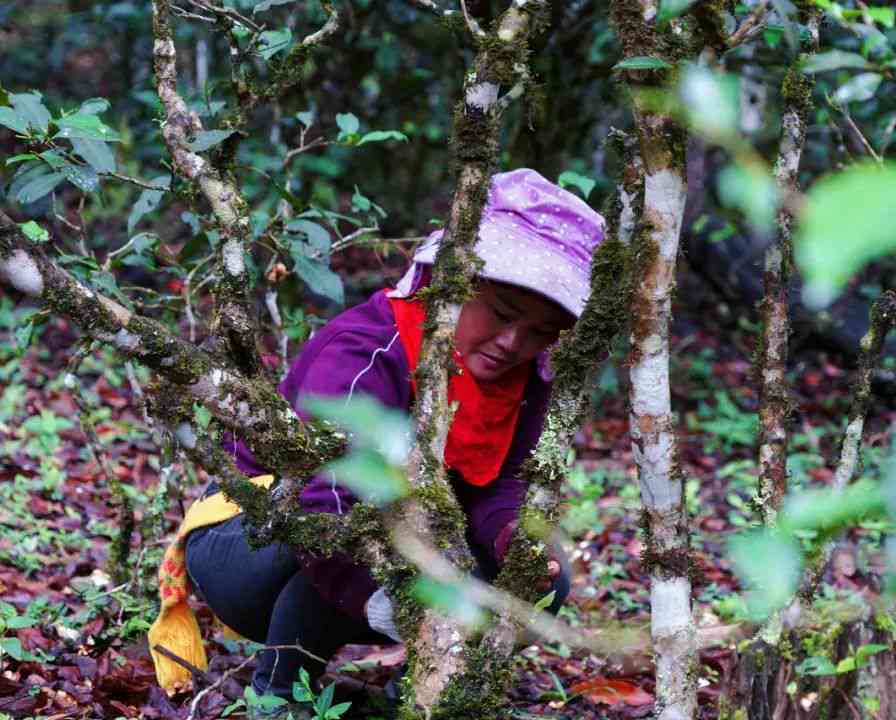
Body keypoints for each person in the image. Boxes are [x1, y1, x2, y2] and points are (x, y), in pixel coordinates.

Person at [147, 168, 605, 708]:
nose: (512, 343)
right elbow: (324, 500)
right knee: (351, 540)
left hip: (394, 543)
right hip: (252, 541)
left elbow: (501, 484)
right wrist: (384, 600)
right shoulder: (368, 349)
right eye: (502, 314)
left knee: (540, 579)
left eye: (539, 332)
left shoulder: (527, 381)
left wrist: (512, 538)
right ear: (452, 283)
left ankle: (416, 692)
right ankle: (277, 698)